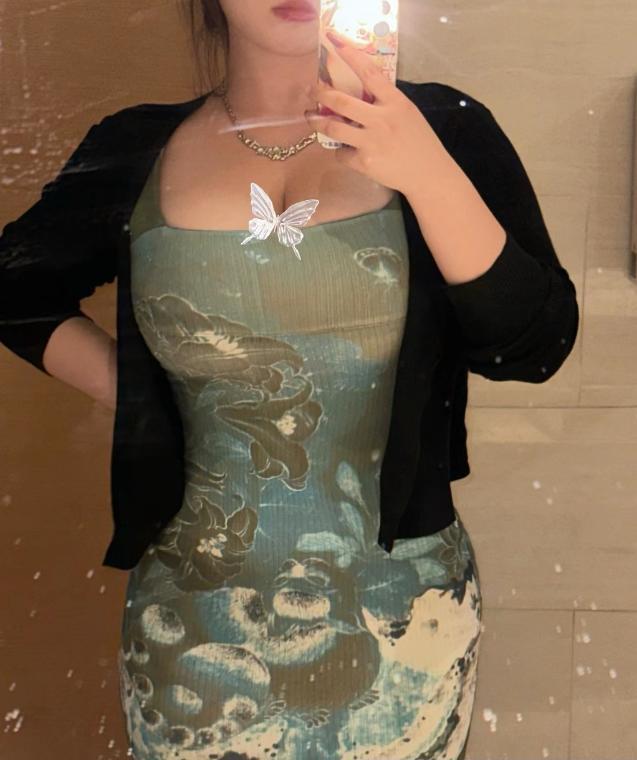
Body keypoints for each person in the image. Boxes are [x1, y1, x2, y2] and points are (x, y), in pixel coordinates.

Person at [0, 1, 580, 758]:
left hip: (402, 623)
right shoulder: (135, 147)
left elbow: (533, 348)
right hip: (190, 627)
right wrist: (142, 396)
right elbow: (14, 290)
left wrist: (427, 173)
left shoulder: (444, 129)